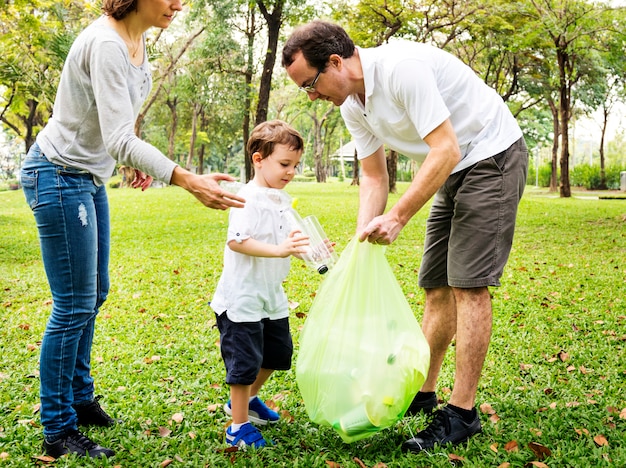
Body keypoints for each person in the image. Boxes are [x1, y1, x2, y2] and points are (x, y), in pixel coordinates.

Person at [282, 21, 528, 453]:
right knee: (435, 286)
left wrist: (397, 218)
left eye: (311, 83)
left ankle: (462, 414)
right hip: (452, 168)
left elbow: (446, 147)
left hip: (491, 154)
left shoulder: (401, 70)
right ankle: (425, 391)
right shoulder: (351, 107)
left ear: (336, 62)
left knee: (468, 285)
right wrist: (361, 238)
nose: (312, 95)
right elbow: (374, 176)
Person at [19, 0, 244, 460]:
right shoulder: (105, 43)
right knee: (73, 304)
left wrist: (127, 158)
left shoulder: (138, 42)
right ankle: (57, 427)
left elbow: (116, 128)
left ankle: (80, 399)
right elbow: (120, 135)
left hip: (87, 177)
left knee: (94, 293)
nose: (178, 4)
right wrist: (183, 178)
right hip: (58, 174)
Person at [210, 120, 310, 449]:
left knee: (278, 353)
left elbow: (287, 241)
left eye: (295, 165)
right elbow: (237, 241)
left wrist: (308, 251)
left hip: (271, 295)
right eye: (284, 164)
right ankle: (237, 426)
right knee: (244, 362)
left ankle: (249, 400)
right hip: (242, 298)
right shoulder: (247, 198)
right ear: (258, 159)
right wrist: (280, 249)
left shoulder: (281, 199)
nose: (291, 171)